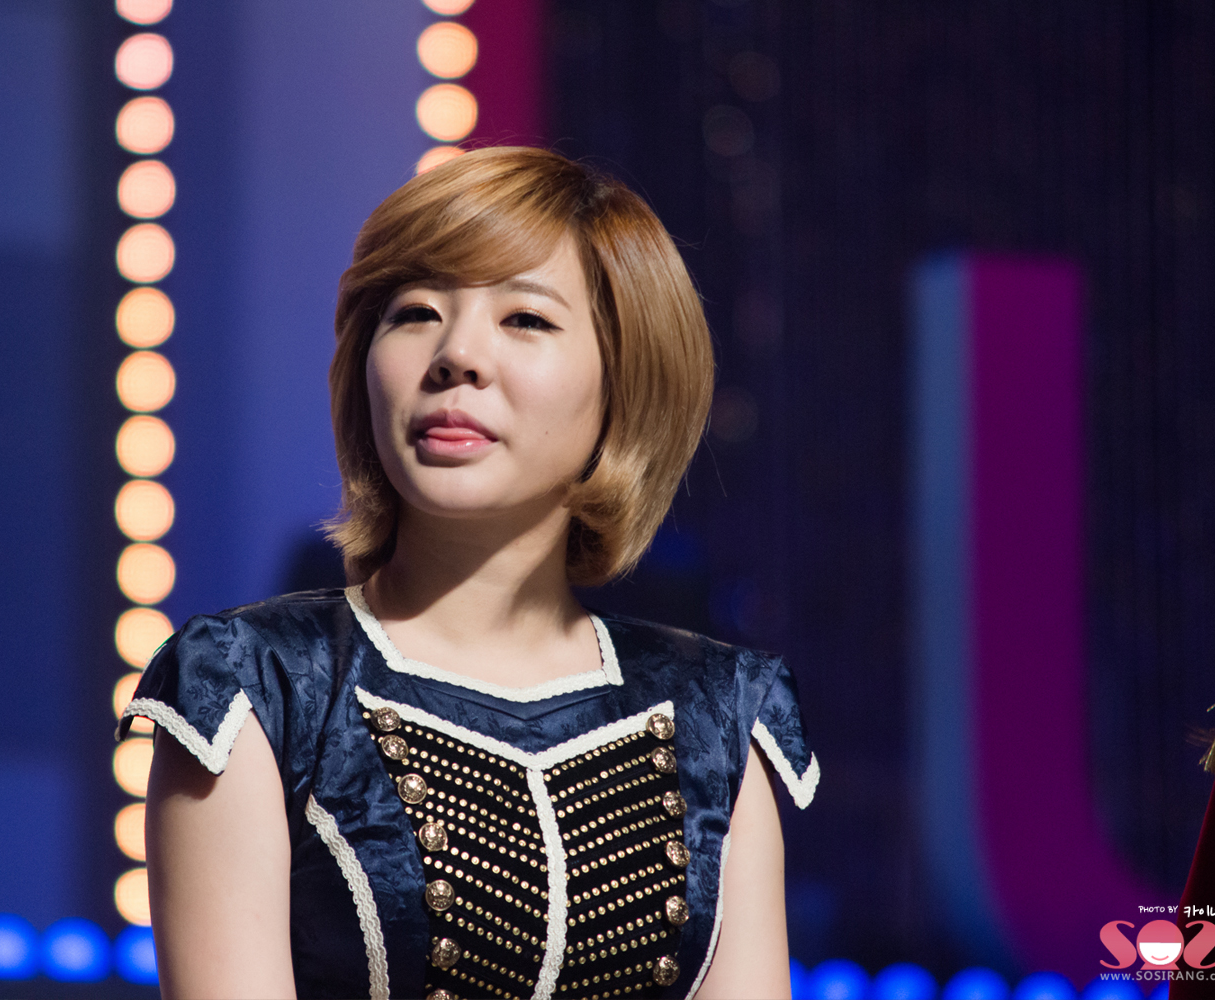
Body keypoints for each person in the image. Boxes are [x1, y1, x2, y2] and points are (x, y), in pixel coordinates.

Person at [119, 146, 819, 1000]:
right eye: (416, 312)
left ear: (625, 381)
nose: (456, 355)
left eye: (524, 319)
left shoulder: (721, 715)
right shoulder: (252, 687)